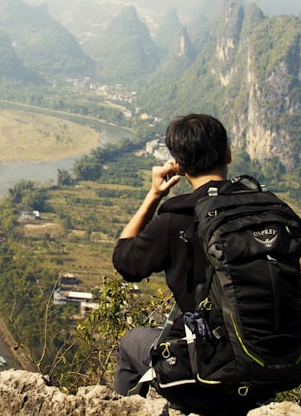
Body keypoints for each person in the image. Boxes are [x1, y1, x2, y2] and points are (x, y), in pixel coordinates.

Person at [111, 114, 269, 413]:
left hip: (209, 380)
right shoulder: (267, 210)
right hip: (272, 371)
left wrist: (154, 195)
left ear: (178, 166)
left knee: (132, 341)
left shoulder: (176, 221)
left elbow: (125, 262)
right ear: (228, 153)